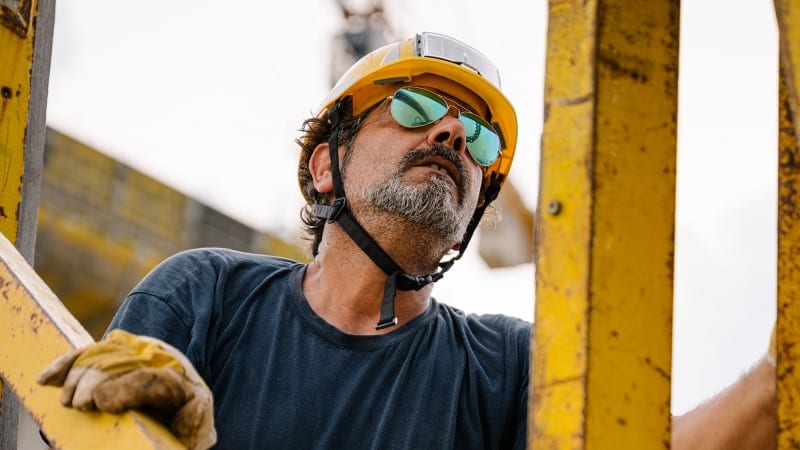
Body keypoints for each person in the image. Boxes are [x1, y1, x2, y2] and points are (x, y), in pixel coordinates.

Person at [36, 31, 776, 449]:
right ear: (327, 164)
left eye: (479, 136)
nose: (454, 133)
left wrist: (780, 377)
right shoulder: (207, 294)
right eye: (416, 105)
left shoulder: (512, 367)